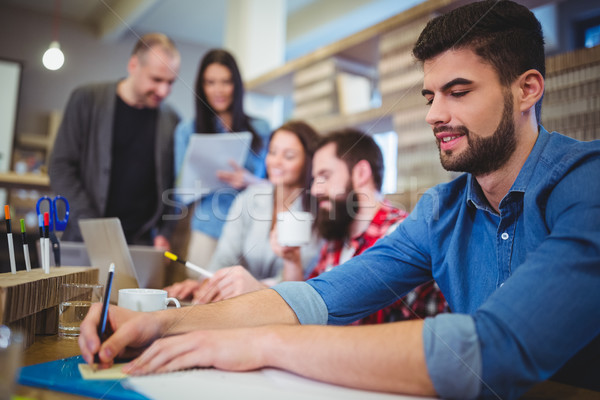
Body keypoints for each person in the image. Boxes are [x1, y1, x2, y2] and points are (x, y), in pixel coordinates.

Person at [78, 2, 600, 399]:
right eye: (429, 95)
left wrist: (261, 343)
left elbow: (495, 348)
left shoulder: (586, 184)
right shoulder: (441, 208)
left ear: (528, 89)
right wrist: (163, 321)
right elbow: (321, 295)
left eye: (458, 92)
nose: (433, 114)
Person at [186, 129, 447, 325]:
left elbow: (344, 314)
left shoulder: (398, 233)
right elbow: (309, 306)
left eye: (324, 176)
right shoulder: (337, 240)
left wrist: (256, 291)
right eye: (313, 179)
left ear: (360, 174)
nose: (315, 189)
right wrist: (291, 260)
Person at [167, 121, 323, 302]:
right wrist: (206, 283)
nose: (276, 162)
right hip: (239, 303)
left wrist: (247, 288)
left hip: (285, 305)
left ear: (309, 161)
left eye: (288, 156)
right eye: (272, 152)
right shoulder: (248, 198)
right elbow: (224, 259)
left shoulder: (318, 210)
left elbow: (303, 276)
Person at [49, 33, 180, 248]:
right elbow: (60, 167)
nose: (163, 91)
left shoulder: (172, 120)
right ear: (133, 64)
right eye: (156, 79)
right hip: (84, 238)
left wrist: (165, 231)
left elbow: (174, 184)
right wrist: (93, 227)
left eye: (171, 82)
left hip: (141, 243)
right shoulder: (87, 99)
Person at [174, 49, 271, 269]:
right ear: (201, 87)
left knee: (247, 296)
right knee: (202, 295)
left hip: (251, 229)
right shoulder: (187, 131)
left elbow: (277, 186)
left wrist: (249, 181)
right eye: (210, 82)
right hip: (209, 227)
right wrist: (200, 179)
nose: (219, 90)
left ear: (236, 85)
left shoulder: (261, 129)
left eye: (226, 82)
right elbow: (180, 194)